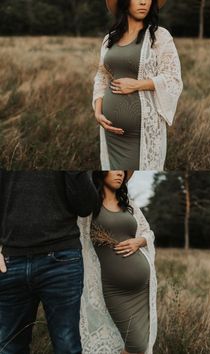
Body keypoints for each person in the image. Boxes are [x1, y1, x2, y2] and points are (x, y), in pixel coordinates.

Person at [0, 170, 98, 354]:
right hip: (9, 262)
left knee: (67, 348)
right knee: (8, 348)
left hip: (62, 261)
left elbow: (85, 206)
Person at [93, 0, 183, 170]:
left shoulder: (159, 36)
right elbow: (102, 76)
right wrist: (98, 112)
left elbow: (173, 79)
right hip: (111, 132)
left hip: (141, 133)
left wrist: (137, 85)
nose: (143, 2)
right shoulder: (110, 39)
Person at [79, 171, 157, 354]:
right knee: (136, 346)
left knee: (143, 344)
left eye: (123, 171)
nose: (120, 174)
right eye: (115, 169)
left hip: (142, 289)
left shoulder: (128, 204)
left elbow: (148, 232)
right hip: (116, 291)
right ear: (101, 172)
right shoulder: (89, 207)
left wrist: (140, 241)